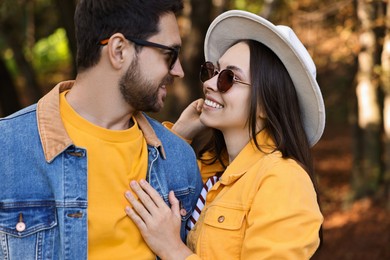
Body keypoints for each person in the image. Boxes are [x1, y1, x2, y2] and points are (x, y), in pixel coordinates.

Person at [0, 0, 203, 259]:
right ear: (119, 50)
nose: (179, 71)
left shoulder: (179, 162)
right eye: (169, 55)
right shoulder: (7, 149)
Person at [124, 10, 326, 259]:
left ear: (265, 104)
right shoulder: (211, 173)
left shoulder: (283, 180)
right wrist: (180, 135)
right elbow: (150, 182)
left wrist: (173, 250)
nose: (209, 84)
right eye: (213, 71)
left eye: (229, 78)